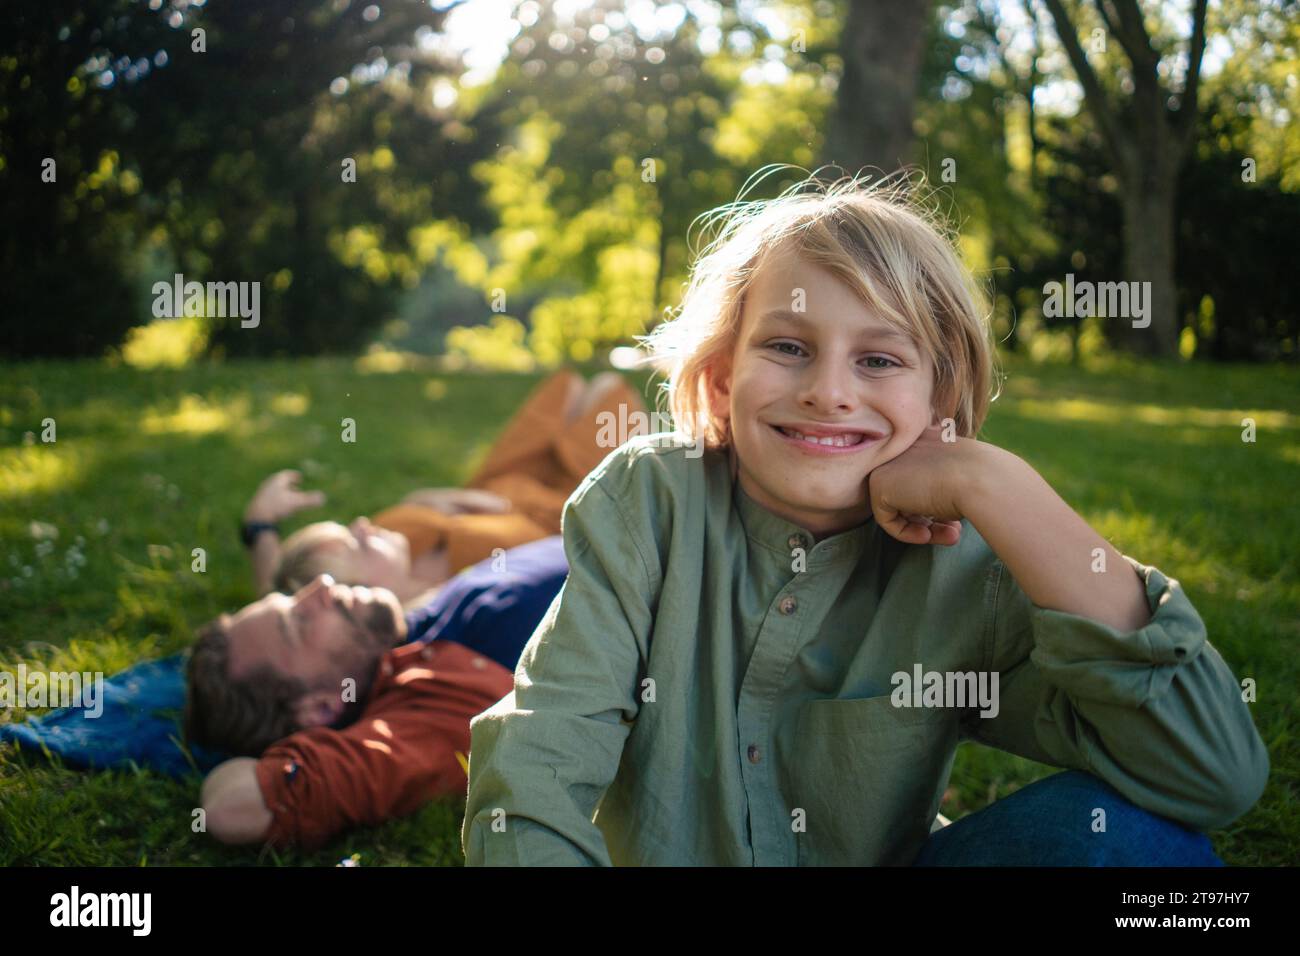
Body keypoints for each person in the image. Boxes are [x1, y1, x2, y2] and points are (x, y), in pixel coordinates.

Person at [460, 169, 1270, 867]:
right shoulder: (650, 502)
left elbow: (1210, 772)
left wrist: (995, 484)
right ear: (716, 380)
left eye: (879, 360)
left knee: (1136, 848)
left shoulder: (972, 568)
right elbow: (538, 758)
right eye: (787, 346)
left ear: (939, 405)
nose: (828, 391)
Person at [185, 535, 568, 850]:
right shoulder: (422, 712)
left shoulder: (393, 636)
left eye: (292, 599)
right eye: (299, 620)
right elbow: (233, 807)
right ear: (319, 709)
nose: (319, 587)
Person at [240, 369, 646, 605]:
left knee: (571, 386)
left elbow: (278, 596)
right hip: (569, 502)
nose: (363, 525)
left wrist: (261, 525)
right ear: (367, 598)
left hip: (498, 483)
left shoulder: (390, 543)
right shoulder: (438, 604)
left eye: (349, 529)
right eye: (356, 544)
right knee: (611, 394)